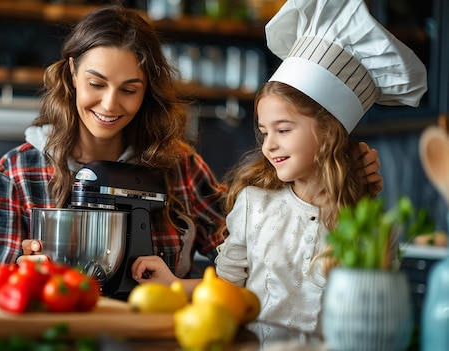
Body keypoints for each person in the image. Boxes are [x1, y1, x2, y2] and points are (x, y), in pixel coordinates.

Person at [0, 5, 383, 279]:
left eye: (129, 89)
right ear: (71, 74)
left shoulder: (179, 167)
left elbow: (254, 248)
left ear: (147, 91)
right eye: (96, 84)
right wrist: (20, 268)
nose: (109, 104)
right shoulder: (18, 172)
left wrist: (332, 174)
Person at [131, 0, 427, 344]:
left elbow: (378, 321)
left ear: (328, 134)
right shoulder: (253, 206)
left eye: (283, 130)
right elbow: (226, 295)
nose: (268, 145)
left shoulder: (370, 226)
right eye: (264, 131)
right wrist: (175, 285)